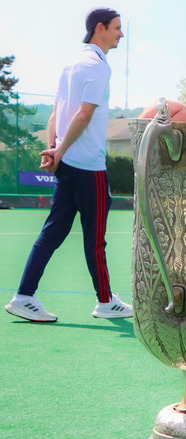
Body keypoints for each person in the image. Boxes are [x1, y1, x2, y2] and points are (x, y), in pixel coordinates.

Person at [5, 8, 132, 323]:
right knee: (95, 239)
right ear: (99, 28)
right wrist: (58, 149)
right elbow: (83, 115)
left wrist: (53, 149)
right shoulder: (99, 67)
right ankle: (105, 302)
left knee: (53, 232)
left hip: (67, 165)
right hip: (88, 167)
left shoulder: (70, 65)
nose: (121, 34)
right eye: (117, 28)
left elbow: (54, 113)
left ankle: (23, 296)